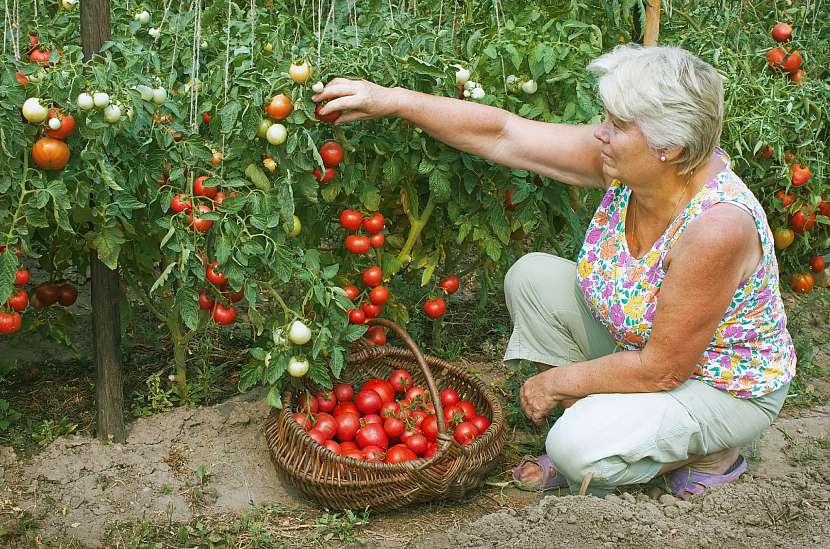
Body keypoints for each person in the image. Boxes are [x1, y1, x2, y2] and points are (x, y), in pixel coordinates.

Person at [312, 44, 796, 499]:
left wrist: (555, 383)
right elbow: (505, 134)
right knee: (534, 277)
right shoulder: (633, 165)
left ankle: (710, 453)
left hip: (719, 386)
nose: (600, 132)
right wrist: (393, 100)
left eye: (617, 124)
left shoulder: (717, 227)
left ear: (668, 146)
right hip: (648, 352)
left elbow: (664, 368)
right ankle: (603, 424)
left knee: (575, 451)